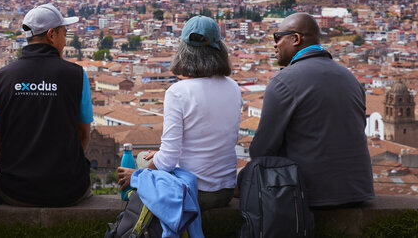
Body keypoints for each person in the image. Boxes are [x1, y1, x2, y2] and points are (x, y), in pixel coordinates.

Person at [117, 15, 242, 211]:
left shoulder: (178, 92)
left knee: (142, 158)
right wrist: (161, 155)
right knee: (154, 157)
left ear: (184, 51)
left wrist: (136, 175)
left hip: (192, 193)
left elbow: (166, 162)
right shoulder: (233, 87)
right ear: (219, 50)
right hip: (224, 191)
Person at [249, 12, 374, 208]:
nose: (275, 44)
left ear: (296, 39)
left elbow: (260, 150)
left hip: (310, 194)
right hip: (358, 192)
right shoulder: (350, 78)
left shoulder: (284, 81)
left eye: (278, 37)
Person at [0, 3, 93, 207]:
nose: (65, 39)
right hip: (68, 189)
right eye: (64, 32)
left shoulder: (0, 78)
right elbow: (84, 135)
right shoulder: (76, 75)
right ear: (51, 35)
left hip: (14, 190)